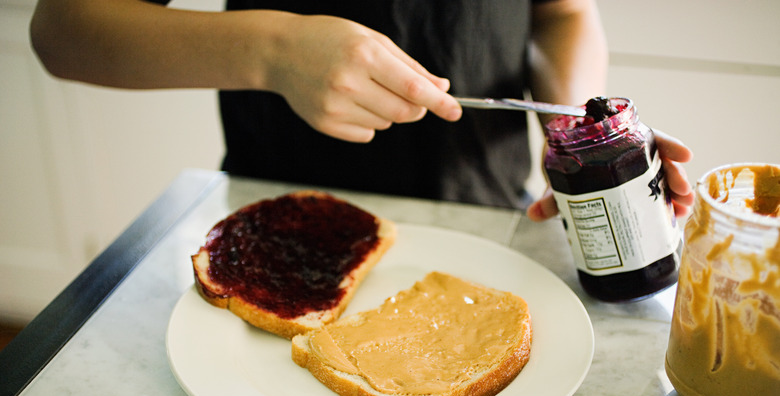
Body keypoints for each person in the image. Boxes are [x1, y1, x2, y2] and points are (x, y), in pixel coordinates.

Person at [28, 0, 694, 221]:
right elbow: (63, 29)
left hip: (488, 221)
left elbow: (564, 12)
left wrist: (574, 132)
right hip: (272, 221)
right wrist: (274, 51)